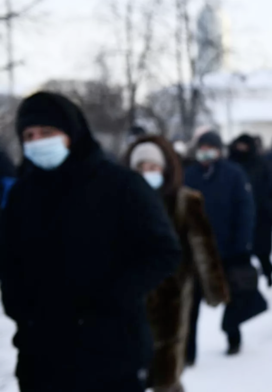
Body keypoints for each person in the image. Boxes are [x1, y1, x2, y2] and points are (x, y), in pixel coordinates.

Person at [0, 92, 182, 392]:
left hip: (110, 352)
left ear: (72, 133)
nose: (37, 141)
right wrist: (19, 308)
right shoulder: (22, 194)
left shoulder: (120, 185)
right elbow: (9, 260)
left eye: (47, 132)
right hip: (41, 356)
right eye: (29, 135)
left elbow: (163, 251)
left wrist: (113, 297)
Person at [125, 136, 230, 392]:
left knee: (166, 371)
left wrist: (214, 288)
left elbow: (203, 247)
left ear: (165, 169)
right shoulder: (121, 202)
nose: (146, 174)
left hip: (172, 294)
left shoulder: (184, 201)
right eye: (140, 168)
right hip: (129, 297)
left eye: (153, 167)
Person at [184, 131, 259, 361]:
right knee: (191, 303)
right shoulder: (190, 175)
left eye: (210, 147)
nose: (206, 152)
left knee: (232, 295)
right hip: (196, 252)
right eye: (202, 147)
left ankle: (232, 335)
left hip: (227, 249)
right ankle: (188, 352)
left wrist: (241, 244)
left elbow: (245, 210)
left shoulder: (233, 174)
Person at [229, 134, 272, 287]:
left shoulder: (262, 164)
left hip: (261, 215)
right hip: (236, 216)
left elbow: (270, 187)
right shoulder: (230, 165)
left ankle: (268, 272)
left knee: (262, 251)